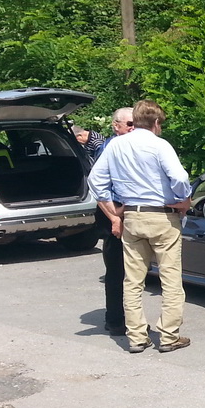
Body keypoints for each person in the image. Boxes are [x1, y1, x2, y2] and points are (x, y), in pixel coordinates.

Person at [88, 100, 193, 354]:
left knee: (133, 281)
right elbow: (179, 177)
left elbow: (94, 180)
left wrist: (113, 212)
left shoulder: (115, 146)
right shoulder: (160, 145)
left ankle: (136, 336)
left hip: (132, 216)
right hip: (162, 216)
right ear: (156, 122)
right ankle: (168, 335)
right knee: (170, 279)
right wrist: (181, 198)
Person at [94, 107, 133, 336]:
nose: (132, 128)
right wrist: (113, 217)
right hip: (114, 212)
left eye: (135, 123)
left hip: (132, 212)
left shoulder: (137, 145)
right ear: (116, 126)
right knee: (117, 269)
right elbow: (98, 186)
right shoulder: (108, 148)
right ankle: (116, 319)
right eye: (128, 124)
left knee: (135, 271)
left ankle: (133, 319)